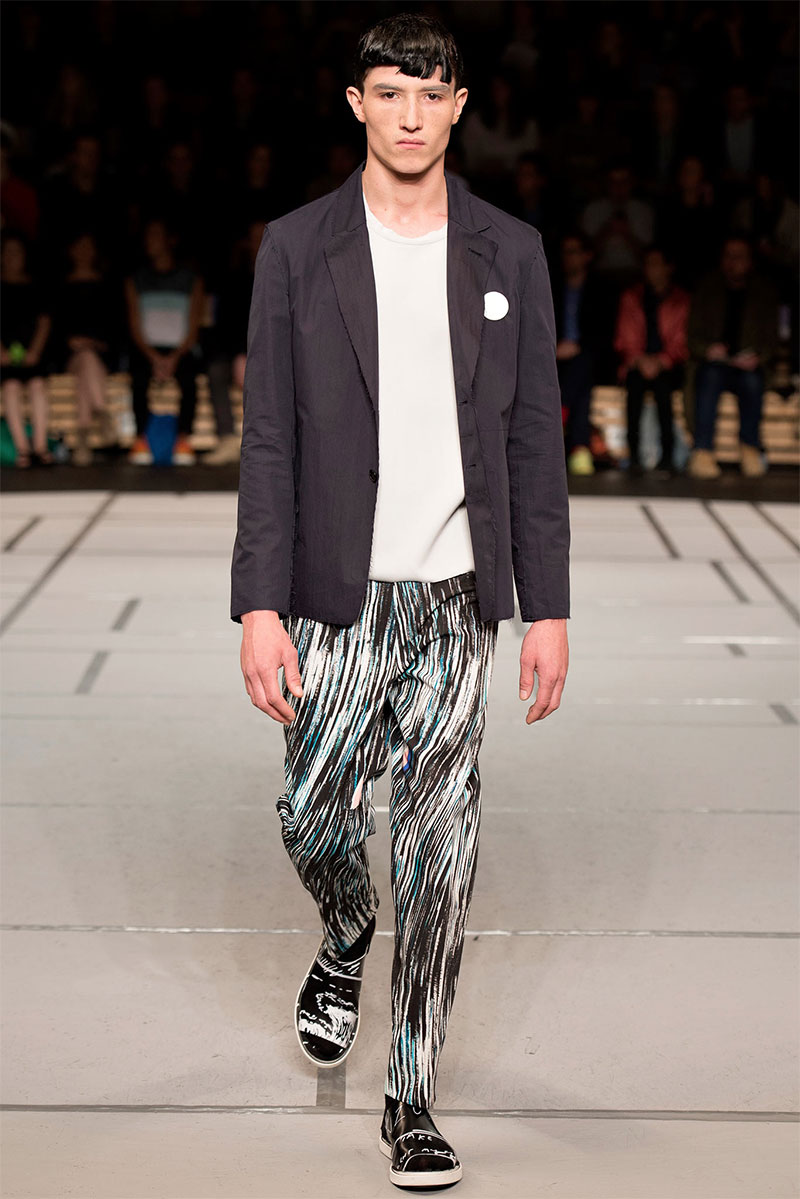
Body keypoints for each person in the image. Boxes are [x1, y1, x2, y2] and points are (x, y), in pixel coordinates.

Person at [230, 11, 570, 1190]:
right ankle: (343, 925)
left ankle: (411, 1096)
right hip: (331, 596)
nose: (410, 115)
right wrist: (258, 604)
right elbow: (268, 435)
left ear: (459, 107)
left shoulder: (508, 252)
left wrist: (546, 605)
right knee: (312, 816)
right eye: (389, 93)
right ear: (356, 104)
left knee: (439, 853)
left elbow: (534, 439)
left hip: (452, 601)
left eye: (431, 95)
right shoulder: (294, 247)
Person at [686, 233, 780, 479]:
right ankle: (703, 450)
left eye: (739, 257)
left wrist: (758, 357)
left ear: (750, 261)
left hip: (749, 364)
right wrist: (708, 350)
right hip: (714, 362)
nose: (733, 262)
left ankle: (750, 448)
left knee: (752, 381)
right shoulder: (708, 288)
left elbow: (772, 339)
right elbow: (692, 335)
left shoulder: (763, 292)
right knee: (709, 377)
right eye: (729, 256)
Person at [124, 217, 204, 466]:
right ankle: (141, 439)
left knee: (189, 378)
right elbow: (135, 326)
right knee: (137, 376)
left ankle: (183, 439)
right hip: (147, 349)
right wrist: (154, 357)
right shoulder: (136, 280)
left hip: (181, 348)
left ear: (171, 240)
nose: (151, 241)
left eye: (156, 235)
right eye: (148, 235)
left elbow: (193, 326)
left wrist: (174, 357)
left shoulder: (191, 279)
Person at [613, 243, 690, 476]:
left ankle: (667, 455)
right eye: (648, 264)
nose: (651, 269)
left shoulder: (680, 299)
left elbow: (682, 340)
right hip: (637, 363)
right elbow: (624, 336)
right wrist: (638, 360)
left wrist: (662, 361)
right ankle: (634, 455)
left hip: (668, 365)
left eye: (656, 264)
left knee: (663, 390)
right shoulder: (632, 297)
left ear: (669, 268)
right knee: (634, 388)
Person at [53, 231, 121, 465]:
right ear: (71, 251)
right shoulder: (61, 285)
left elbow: (115, 326)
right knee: (85, 358)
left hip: (101, 353)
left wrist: (95, 343)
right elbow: (55, 327)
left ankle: (82, 440)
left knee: (87, 366)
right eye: (79, 246)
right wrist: (71, 342)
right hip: (69, 354)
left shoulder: (107, 286)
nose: (84, 251)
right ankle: (102, 412)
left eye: (88, 246)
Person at [0, 230, 53, 468]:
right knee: (10, 387)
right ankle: (23, 449)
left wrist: (35, 352)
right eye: (8, 252)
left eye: (17, 252)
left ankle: (40, 447)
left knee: (38, 385)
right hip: (4, 357)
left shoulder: (35, 285)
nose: (13, 257)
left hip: (32, 354)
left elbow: (44, 321)